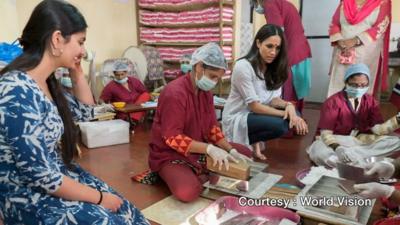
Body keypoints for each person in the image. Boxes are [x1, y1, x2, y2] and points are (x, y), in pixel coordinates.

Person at [0, 1, 149, 224]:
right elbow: (41, 177)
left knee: (128, 211)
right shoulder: (17, 90)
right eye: (80, 42)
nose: (83, 51)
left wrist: (77, 72)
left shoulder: (45, 82)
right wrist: (99, 198)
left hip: (56, 177)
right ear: (57, 39)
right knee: (109, 219)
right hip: (28, 196)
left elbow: (87, 112)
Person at [148, 42, 253, 202]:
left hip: (198, 150)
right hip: (170, 154)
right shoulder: (174, 93)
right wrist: (209, 149)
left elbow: (212, 128)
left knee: (244, 153)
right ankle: (170, 172)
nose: (214, 82)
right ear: (198, 67)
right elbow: (172, 138)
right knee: (188, 192)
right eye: (212, 76)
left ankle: (203, 170)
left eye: (218, 78)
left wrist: (230, 149)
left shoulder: (206, 93)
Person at [222, 24, 309, 161]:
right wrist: (286, 115)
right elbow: (254, 106)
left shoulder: (273, 67)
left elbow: (274, 99)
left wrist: (289, 107)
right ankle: (249, 143)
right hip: (238, 116)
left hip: (256, 113)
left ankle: (253, 144)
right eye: (269, 46)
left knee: (295, 115)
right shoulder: (243, 67)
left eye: (277, 48)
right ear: (258, 43)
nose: (273, 52)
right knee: (282, 125)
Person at [307, 63, 400, 168]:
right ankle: (365, 162)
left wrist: (398, 120)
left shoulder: (370, 101)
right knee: (320, 153)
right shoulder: (332, 102)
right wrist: (338, 148)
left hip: (359, 140)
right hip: (335, 140)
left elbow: (378, 130)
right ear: (346, 82)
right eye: (354, 85)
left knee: (395, 142)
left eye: (363, 85)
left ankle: (351, 160)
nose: (359, 88)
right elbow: (326, 134)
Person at [252, 0, 312, 114]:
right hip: (302, 50)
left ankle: (289, 122)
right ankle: (297, 120)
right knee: (296, 91)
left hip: (291, 52)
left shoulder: (269, 4)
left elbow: (275, 34)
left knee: (287, 92)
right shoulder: (284, 3)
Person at [327, 0, 391, 97]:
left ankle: (361, 111)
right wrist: (339, 40)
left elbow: (380, 26)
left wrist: (355, 40)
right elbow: (334, 23)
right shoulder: (345, 2)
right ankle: (337, 110)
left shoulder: (382, 2)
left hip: (366, 53)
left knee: (361, 87)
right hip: (342, 50)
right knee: (338, 85)